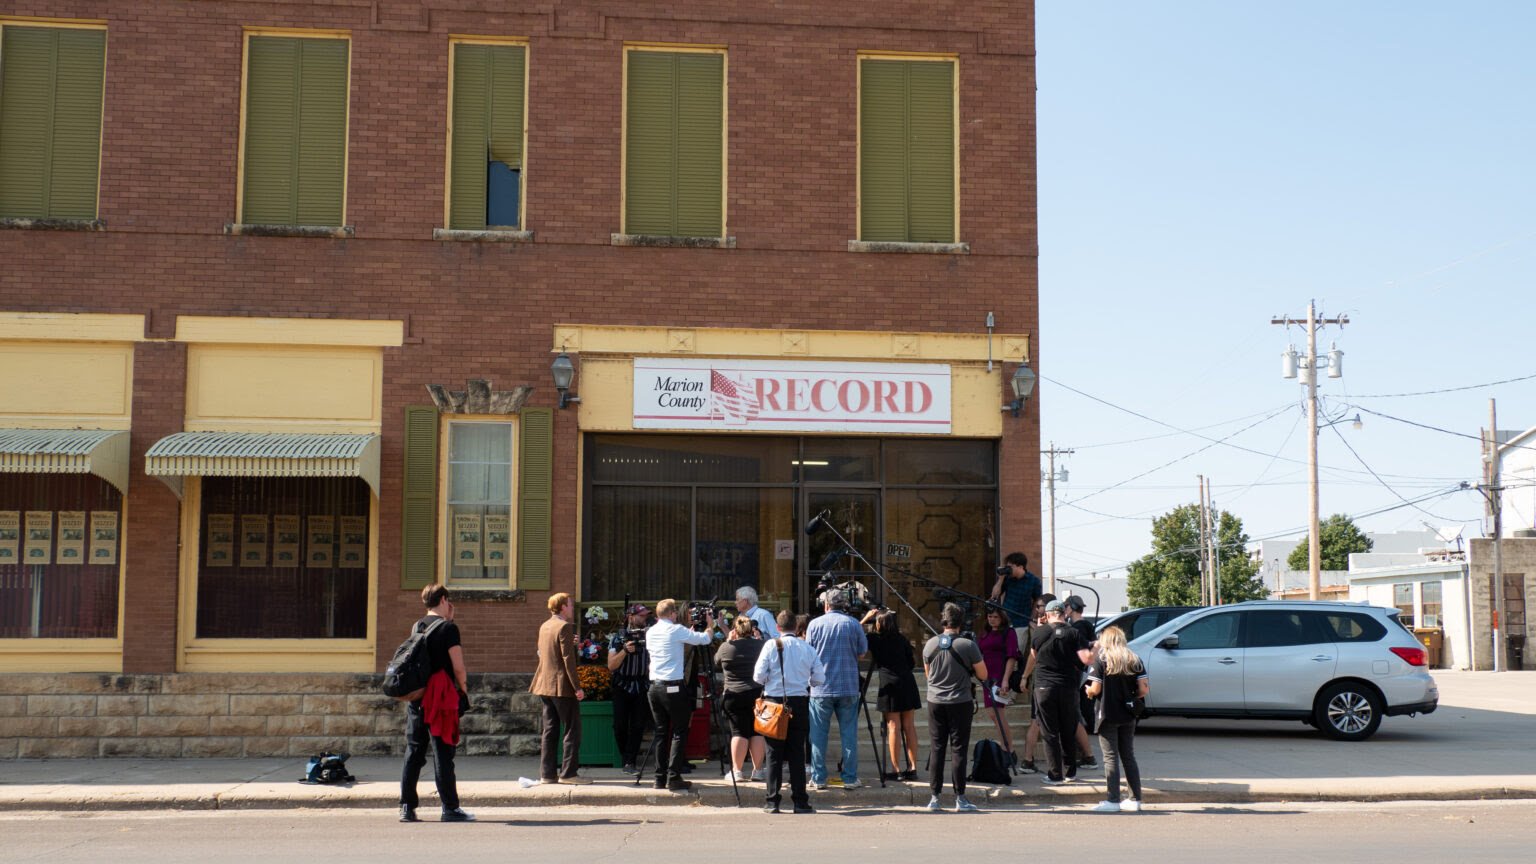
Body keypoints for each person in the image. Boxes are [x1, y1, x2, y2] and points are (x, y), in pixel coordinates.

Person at [399, 584, 474, 823]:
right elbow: (458, 667)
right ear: (443, 600)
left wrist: (447, 619)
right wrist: (463, 690)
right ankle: (450, 808)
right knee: (442, 753)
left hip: (418, 698)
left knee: (414, 752)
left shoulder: (417, 626)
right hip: (440, 698)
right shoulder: (449, 629)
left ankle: (407, 808)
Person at [753, 609, 826, 814]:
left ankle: (772, 801)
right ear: (796, 627)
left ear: (778, 627)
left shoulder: (771, 645)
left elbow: (758, 676)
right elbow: (819, 679)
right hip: (799, 702)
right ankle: (800, 801)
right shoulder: (807, 648)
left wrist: (772, 679)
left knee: (773, 754)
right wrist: (804, 681)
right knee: (797, 753)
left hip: (775, 703)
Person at [922, 602, 989, 812]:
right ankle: (960, 797)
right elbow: (983, 674)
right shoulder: (968, 645)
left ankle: (935, 797)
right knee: (958, 749)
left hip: (935, 701)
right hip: (960, 701)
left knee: (937, 748)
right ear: (961, 622)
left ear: (943, 620)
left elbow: (928, 674)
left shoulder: (930, 644)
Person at [646, 598, 715, 791]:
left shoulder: (651, 631)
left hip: (654, 687)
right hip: (673, 686)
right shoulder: (676, 630)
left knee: (661, 732)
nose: (676, 614)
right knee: (679, 730)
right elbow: (706, 639)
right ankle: (674, 777)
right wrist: (710, 625)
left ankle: (659, 778)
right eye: (675, 612)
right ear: (671, 614)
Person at [805, 590, 869, 790]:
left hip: (820, 687)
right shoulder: (853, 624)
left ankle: (818, 778)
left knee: (818, 737)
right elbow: (862, 653)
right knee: (849, 735)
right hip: (848, 686)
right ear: (843, 605)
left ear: (826, 605)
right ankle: (849, 778)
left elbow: (808, 654)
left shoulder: (814, 624)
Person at [1085, 625, 1149, 812]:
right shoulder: (1134, 660)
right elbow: (1143, 689)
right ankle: (1135, 799)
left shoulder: (1102, 660)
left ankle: (1113, 800)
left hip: (1107, 713)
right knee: (1128, 755)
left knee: (1110, 757)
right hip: (1128, 713)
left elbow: (1095, 689)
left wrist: (1088, 691)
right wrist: (1131, 695)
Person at [1031, 599, 1094, 785]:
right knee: (1068, 729)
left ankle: (1055, 774)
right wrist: (1097, 646)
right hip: (1068, 686)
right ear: (1064, 614)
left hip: (1044, 686)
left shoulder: (1038, 632)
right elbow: (1086, 660)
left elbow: (1034, 656)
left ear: (1047, 615)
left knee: (1049, 732)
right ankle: (1070, 772)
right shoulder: (1074, 633)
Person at [531, 592, 589, 785]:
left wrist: (569, 644)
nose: (572, 607)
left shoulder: (545, 626)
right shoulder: (564, 626)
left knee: (550, 730)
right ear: (563, 607)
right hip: (562, 687)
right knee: (572, 730)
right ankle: (568, 774)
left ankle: (547, 774)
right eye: (570, 604)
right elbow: (567, 660)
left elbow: (544, 653)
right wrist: (577, 687)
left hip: (544, 685)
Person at [860, 608, 920, 781]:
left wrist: (865, 619)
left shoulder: (874, 638)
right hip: (907, 681)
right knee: (909, 726)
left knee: (893, 726)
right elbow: (911, 662)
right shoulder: (902, 639)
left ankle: (896, 769)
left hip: (889, 683)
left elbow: (854, 632)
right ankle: (912, 767)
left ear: (880, 624)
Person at [716, 615, 768, 781]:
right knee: (757, 732)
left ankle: (737, 771)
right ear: (751, 629)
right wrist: (759, 640)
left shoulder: (726, 647)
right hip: (757, 693)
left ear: (735, 630)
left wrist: (728, 641)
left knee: (738, 731)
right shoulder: (761, 646)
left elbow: (717, 661)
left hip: (733, 694)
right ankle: (757, 770)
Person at [607, 603, 652, 775]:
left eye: (646, 615)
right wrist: (625, 650)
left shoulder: (650, 637)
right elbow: (611, 665)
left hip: (641, 685)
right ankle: (626, 758)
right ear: (631, 617)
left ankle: (630, 761)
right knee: (619, 725)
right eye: (641, 615)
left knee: (638, 725)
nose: (644, 618)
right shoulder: (618, 638)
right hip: (622, 685)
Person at [977, 607, 1020, 758]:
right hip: (986, 678)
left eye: (995, 617)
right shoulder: (985, 633)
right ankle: (1006, 748)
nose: (992, 619)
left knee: (998, 713)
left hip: (1000, 677)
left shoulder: (1009, 632)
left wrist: (1005, 680)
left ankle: (1009, 750)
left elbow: (1012, 657)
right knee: (993, 714)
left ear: (1002, 618)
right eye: (990, 616)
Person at [1064, 596, 1099, 768]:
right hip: (1082, 673)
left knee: (1074, 714)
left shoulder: (1078, 628)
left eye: (1065, 607)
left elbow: (1082, 652)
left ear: (1071, 608)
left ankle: (1083, 754)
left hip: (1075, 673)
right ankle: (1082, 753)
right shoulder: (1086, 625)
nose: (1064, 610)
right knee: (1076, 712)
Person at [1019, 595, 1050, 772]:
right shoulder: (1064, 629)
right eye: (1036, 607)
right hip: (1047, 681)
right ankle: (1028, 760)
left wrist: (1024, 677)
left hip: (1044, 682)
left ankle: (1029, 760)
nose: (1037, 610)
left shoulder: (1042, 631)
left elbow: (1033, 655)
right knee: (1038, 721)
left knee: (1038, 722)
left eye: (1040, 606)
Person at [990, 551, 1042, 648]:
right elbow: (994, 595)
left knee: (1017, 651)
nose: (1008, 569)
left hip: (1022, 622)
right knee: (1000, 649)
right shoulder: (1007, 578)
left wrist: (1031, 619)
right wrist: (1001, 578)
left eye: (1011, 567)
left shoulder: (1033, 580)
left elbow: (1037, 601)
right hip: (1005, 620)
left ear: (1020, 567)